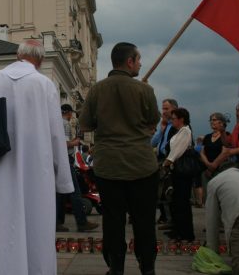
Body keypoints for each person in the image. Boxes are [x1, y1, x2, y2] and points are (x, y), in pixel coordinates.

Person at [0, 39, 74, 275]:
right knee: (38, 225)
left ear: (19, 55)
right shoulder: (44, 84)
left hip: (3, 164)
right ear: (41, 59)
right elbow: (56, 134)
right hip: (39, 168)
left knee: (7, 223)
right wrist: (64, 180)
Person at [79, 42, 160, 275]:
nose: (141, 63)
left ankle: (116, 268)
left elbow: (85, 124)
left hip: (108, 166)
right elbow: (153, 121)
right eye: (138, 59)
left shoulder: (96, 90)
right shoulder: (145, 90)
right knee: (144, 221)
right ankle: (148, 268)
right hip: (141, 165)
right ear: (129, 62)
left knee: (113, 222)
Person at [56, 103, 99, 232]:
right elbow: (63, 144)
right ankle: (81, 222)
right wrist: (75, 142)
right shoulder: (65, 124)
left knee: (61, 193)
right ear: (68, 113)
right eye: (71, 113)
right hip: (65, 161)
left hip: (60, 161)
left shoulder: (58, 123)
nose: (71, 116)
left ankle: (57, 222)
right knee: (75, 191)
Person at [162, 107, 195, 242]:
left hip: (182, 172)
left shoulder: (185, 131)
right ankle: (179, 231)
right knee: (176, 202)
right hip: (177, 170)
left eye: (174, 118)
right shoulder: (180, 131)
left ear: (181, 119)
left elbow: (177, 151)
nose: (172, 121)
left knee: (182, 203)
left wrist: (166, 163)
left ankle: (186, 233)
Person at [151, 99, 179, 226]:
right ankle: (166, 217)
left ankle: (171, 219)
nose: (164, 111)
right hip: (161, 159)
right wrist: (161, 129)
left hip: (170, 159)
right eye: (163, 109)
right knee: (160, 191)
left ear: (174, 108)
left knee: (169, 190)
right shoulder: (165, 124)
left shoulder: (176, 124)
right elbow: (153, 142)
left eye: (166, 109)